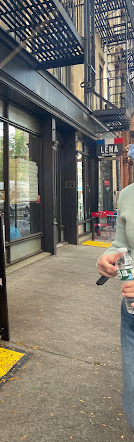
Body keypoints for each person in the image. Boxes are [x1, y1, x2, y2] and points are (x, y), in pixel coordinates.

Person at [97, 115, 134, 432]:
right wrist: (108, 256)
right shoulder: (127, 195)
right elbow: (122, 245)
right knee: (133, 403)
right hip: (132, 315)